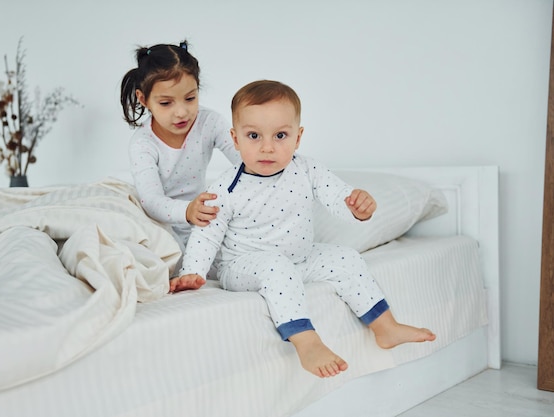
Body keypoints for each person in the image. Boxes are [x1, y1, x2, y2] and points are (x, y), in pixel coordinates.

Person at [170, 80, 436, 378]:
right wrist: (192, 272)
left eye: (281, 135)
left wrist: (356, 206)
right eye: (254, 135)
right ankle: (306, 341)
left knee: (345, 258)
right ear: (235, 138)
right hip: (243, 265)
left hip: (300, 258)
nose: (267, 147)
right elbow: (207, 232)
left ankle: (385, 327)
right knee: (275, 266)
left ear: (298, 137)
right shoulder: (225, 188)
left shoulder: (307, 169)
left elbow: (337, 195)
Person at [120, 40, 240, 255]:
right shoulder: (143, 144)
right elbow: (152, 202)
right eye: (166, 103)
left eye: (190, 98)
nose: (182, 112)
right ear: (144, 99)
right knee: (161, 254)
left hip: (200, 217)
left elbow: (244, 160)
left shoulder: (210, 123)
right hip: (160, 222)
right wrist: (187, 210)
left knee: (237, 245)